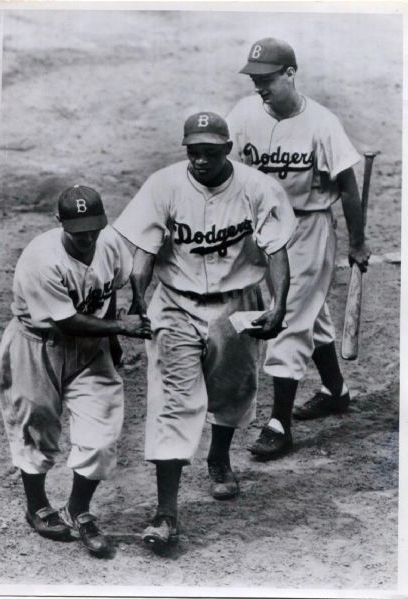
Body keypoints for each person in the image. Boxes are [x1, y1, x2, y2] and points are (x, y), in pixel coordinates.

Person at [113, 111, 296, 550]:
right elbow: (144, 251)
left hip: (236, 303)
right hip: (176, 303)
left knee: (232, 390)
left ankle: (218, 455)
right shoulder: (164, 184)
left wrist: (278, 304)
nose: (199, 161)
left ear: (227, 149)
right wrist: (138, 298)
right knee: (172, 404)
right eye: (193, 152)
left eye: (209, 153)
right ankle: (166, 513)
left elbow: (276, 252)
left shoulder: (257, 188)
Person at [226, 38, 371, 460]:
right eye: (254, 78)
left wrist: (358, 242)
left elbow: (348, 187)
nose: (259, 86)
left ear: (290, 73)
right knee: (312, 313)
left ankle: (279, 424)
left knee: (287, 317)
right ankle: (335, 389)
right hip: (263, 230)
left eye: (267, 78)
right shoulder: (244, 113)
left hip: (308, 230)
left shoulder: (322, 123)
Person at [0, 185, 152, 557]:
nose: (87, 236)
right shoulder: (41, 259)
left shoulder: (109, 243)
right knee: (36, 425)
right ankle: (37, 507)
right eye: (78, 228)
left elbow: (111, 286)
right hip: (37, 344)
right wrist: (120, 330)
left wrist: (111, 340)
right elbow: (66, 322)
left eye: (93, 227)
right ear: (59, 222)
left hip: (91, 345)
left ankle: (79, 510)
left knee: (101, 434)